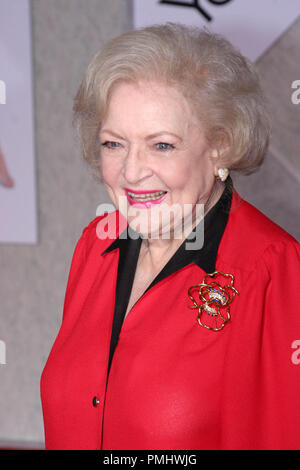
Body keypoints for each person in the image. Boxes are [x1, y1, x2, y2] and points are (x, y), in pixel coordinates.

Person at [40, 23, 300, 450]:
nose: (130, 172)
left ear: (221, 145)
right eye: (113, 144)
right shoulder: (96, 245)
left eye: (161, 145)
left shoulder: (272, 270)